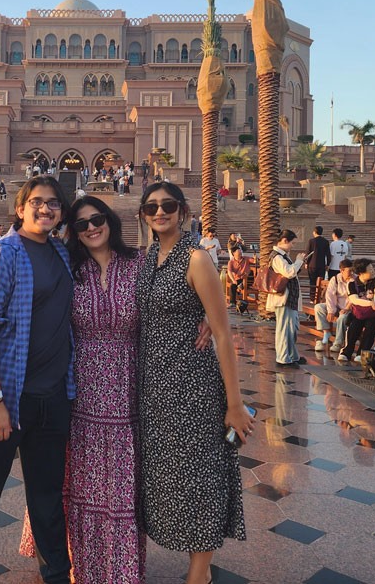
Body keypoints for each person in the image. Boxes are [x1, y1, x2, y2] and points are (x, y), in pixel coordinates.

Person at [18, 195, 147, 581]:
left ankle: (120, 568)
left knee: (121, 484)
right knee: (78, 481)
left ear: (110, 220)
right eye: (81, 224)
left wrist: (204, 316)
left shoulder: (138, 264)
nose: (91, 228)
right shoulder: (67, 267)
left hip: (127, 392)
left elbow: (173, 297)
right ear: (73, 232)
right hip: (78, 390)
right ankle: (76, 563)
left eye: (97, 219)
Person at [134, 182, 253, 584]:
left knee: (201, 476)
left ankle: (198, 573)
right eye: (152, 206)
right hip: (155, 390)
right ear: (143, 214)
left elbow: (222, 334)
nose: (160, 212)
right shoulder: (148, 259)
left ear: (182, 211)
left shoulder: (196, 258)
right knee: (174, 477)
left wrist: (234, 403)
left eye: (168, 205)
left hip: (193, 387)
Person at [0, 176, 75, 584]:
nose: (46, 209)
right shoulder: (4, 253)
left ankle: (56, 574)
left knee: (47, 498)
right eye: (37, 202)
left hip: (52, 397)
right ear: (20, 208)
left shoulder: (61, 253)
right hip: (4, 397)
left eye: (54, 203)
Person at [266, 230, 307, 368]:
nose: (293, 246)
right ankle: (283, 358)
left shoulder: (283, 256)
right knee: (284, 329)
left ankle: (292, 355)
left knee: (292, 328)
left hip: (290, 298)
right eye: (292, 243)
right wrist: (298, 261)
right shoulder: (277, 257)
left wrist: (299, 264)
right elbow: (289, 272)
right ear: (284, 241)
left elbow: (291, 272)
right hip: (283, 298)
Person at [340, 259, 375, 363]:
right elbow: (354, 300)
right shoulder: (352, 284)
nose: (373, 271)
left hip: (372, 314)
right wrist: (370, 303)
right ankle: (346, 353)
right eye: (370, 270)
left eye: (372, 268)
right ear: (361, 273)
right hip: (359, 314)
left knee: (371, 327)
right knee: (353, 327)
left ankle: (362, 353)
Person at [313, 259, 355, 354]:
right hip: (337, 306)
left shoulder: (355, 280)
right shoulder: (335, 279)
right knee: (319, 307)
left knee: (342, 317)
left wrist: (346, 308)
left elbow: (354, 297)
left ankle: (338, 342)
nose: (351, 273)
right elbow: (330, 296)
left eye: (352, 271)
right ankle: (326, 332)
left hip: (349, 308)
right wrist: (331, 311)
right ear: (342, 271)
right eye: (349, 271)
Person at [305, 226, 332, 302]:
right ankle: (319, 298)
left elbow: (308, 253)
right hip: (321, 265)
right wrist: (328, 264)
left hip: (312, 265)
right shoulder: (325, 242)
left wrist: (306, 262)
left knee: (312, 282)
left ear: (314, 232)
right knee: (320, 282)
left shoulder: (311, 241)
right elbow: (328, 254)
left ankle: (312, 298)